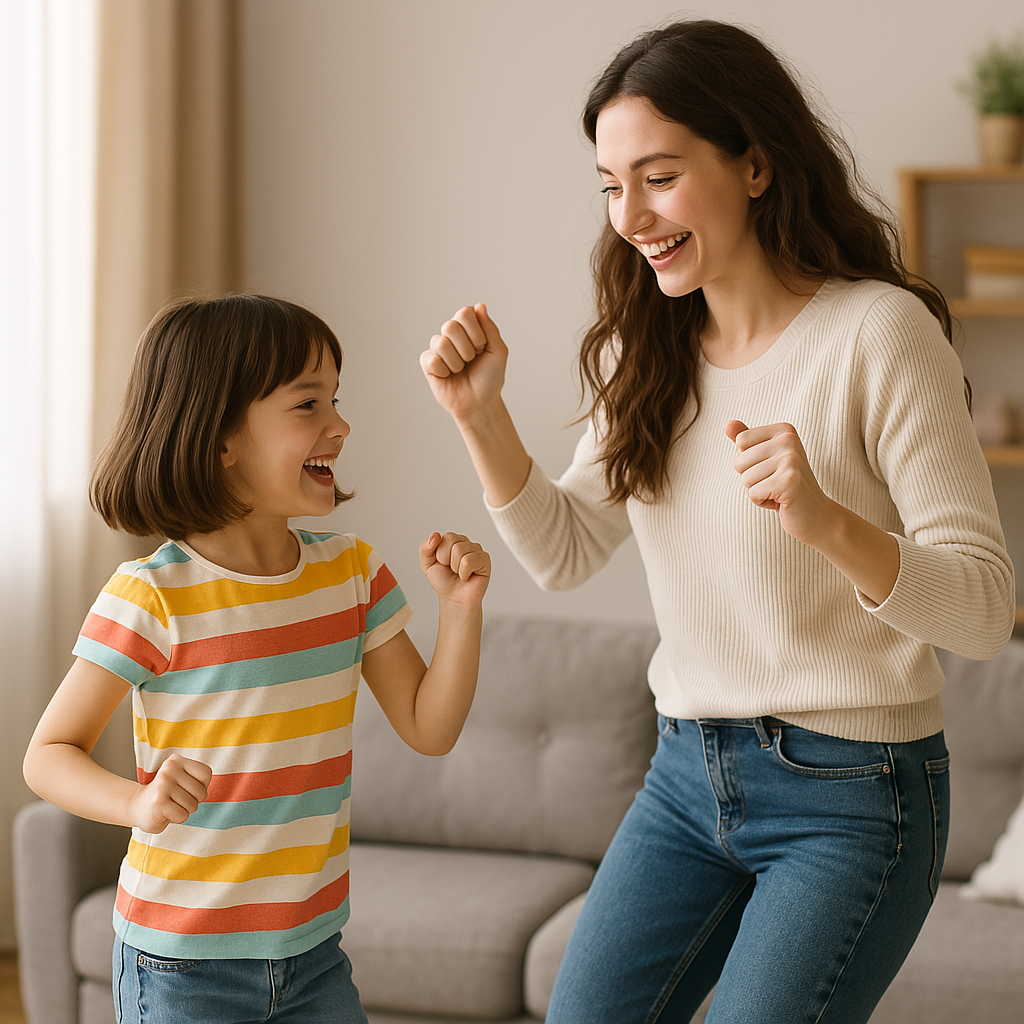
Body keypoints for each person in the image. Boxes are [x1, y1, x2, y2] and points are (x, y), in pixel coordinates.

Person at [419, 19, 1014, 1024]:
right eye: (611, 186)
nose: (631, 216)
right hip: (685, 779)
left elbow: (986, 612)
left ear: (755, 165)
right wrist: (481, 418)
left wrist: (826, 522)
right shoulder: (647, 349)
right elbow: (565, 551)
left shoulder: (878, 333)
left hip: (854, 792)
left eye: (658, 177)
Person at [23, 294, 491, 1024]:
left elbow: (430, 729)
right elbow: (48, 756)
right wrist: (136, 804)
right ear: (220, 440)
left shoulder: (352, 575)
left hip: (314, 954)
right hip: (180, 964)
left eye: (335, 399)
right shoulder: (152, 595)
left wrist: (460, 611)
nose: (340, 425)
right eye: (308, 404)